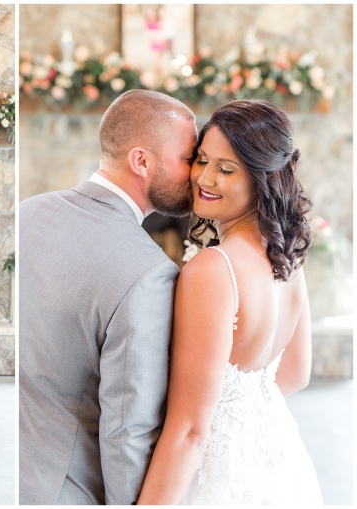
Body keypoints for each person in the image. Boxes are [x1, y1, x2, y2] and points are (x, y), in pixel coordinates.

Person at [137, 100, 323, 504]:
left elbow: (190, 430)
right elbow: (295, 374)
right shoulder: (286, 259)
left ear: (262, 179)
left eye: (225, 169)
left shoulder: (213, 270)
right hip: (275, 465)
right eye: (201, 160)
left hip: (216, 478)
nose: (204, 177)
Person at [19, 89, 197, 504]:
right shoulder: (149, 273)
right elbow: (127, 432)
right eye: (188, 159)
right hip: (68, 490)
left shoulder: (29, 211)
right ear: (141, 161)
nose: (196, 174)